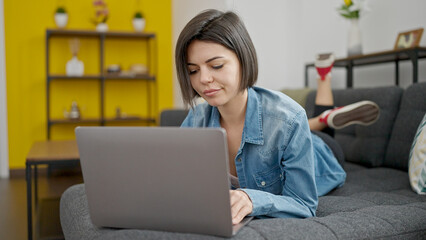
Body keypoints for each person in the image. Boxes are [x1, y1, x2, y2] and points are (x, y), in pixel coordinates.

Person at [175, 9, 379, 225]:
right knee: (291, 124)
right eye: (193, 70)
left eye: (216, 65)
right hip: (291, 128)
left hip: (324, 153)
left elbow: (304, 204)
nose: (204, 78)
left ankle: (324, 116)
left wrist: (252, 199)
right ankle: (321, 120)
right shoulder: (196, 121)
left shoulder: (289, 118)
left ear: (244, 60)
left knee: (297, 126)